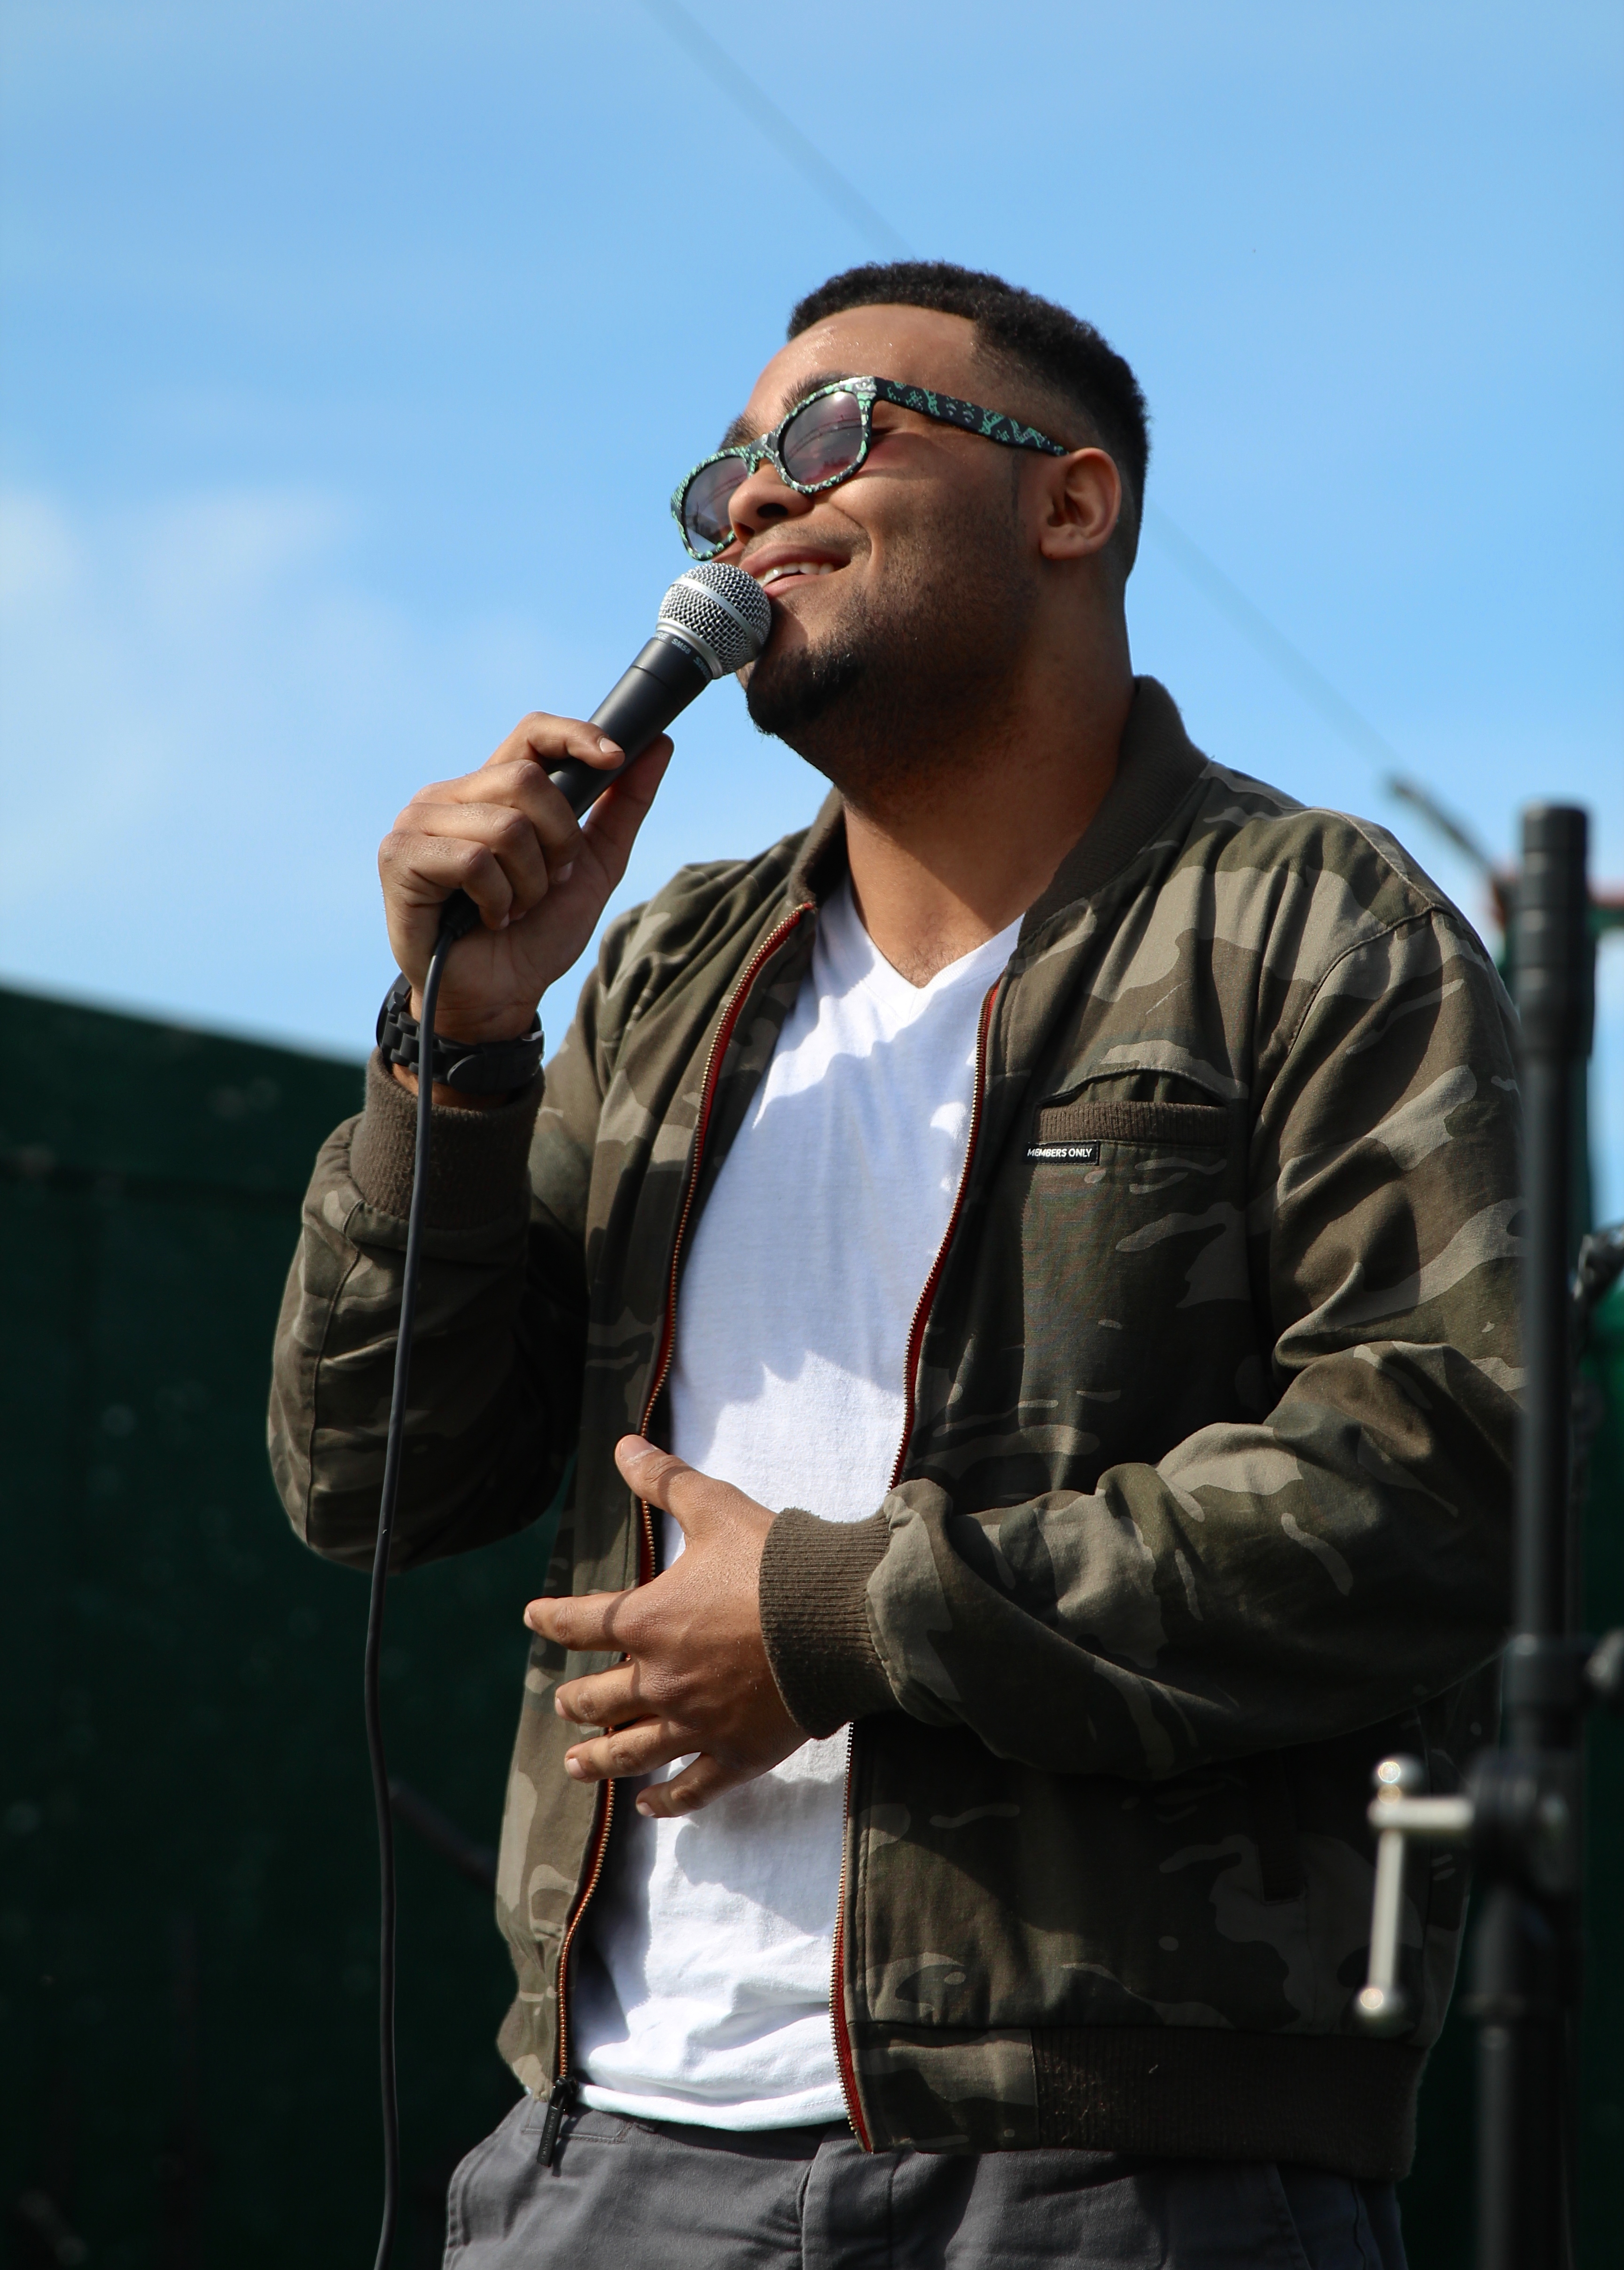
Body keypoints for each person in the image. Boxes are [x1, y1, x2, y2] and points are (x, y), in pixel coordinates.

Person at [269, 262, 1519, 2268]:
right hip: (610, 2157)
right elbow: (375, 1481)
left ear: (1070, 501)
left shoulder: (1310, 926)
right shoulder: (669, 974)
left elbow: (1448, 1487)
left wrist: (840, 1615)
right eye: (725, 479)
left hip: (1117, 2168)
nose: (758, 496)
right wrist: (462, 1050)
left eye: (836, 431)